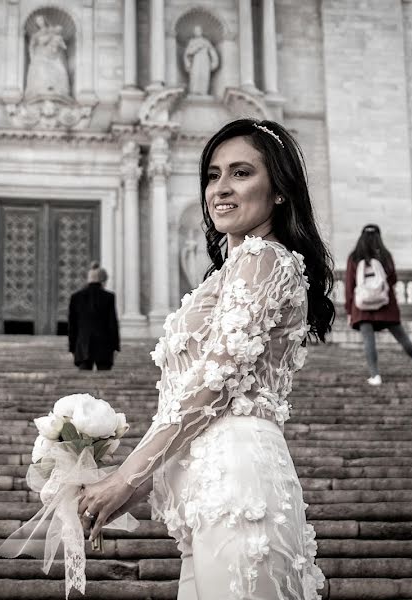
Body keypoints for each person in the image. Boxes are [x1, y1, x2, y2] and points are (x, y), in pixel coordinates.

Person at [77, 119, 334, 599]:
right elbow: (190, 395)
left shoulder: (266, 259)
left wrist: (126, 475)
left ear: (279, 190)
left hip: (236, 477)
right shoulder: (231, 272)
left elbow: (214, 384)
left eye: (240, 173)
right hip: (206, 486)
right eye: (213, 175)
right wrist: (129, 486)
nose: (221, 188)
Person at [345, 224, 412, 385]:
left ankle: (375, 375)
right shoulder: (385, 255)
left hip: (362, 306)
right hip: (385, 305)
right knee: (403, 339)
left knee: (369, 341)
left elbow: (350, 285)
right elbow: (393, 279)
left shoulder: (354, 257)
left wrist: (349, 310)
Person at [67, 262, 120, 371]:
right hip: (104, 346)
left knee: (84, 381)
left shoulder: (76, 297)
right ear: (103, 281)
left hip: (83, 345)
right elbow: (112, 324)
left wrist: (72, 348)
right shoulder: (109, 297)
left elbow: (72, 326)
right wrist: (116, 346)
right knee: (104, 379)